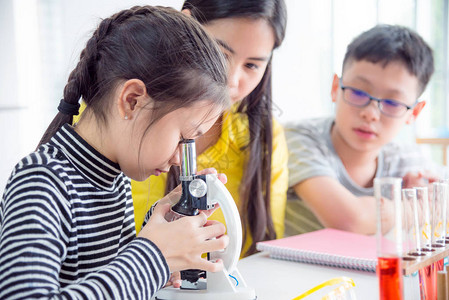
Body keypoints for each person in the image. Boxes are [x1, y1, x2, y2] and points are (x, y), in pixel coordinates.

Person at [0, 6, 231, 299]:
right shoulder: (42, 181)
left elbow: (108, 284)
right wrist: (153, 258)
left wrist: (166, 250)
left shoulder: (113, 179)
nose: (177, 159)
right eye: (184, 138)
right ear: (132, 101)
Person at [132, 0, 289, 257]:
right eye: (219, 53)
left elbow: (266, 254)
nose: (231, 80)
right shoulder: (124, 115)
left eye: (252, 65)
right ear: (185, 24)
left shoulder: (265, 139)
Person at [285, 24, 438, 236]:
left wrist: (435, 194)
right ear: (335, 89)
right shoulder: (297, 139)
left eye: (392, 103)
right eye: (358, 92)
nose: (371, 113)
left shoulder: (407, 159)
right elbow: (350, 221)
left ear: (414, 113)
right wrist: (420, 206)